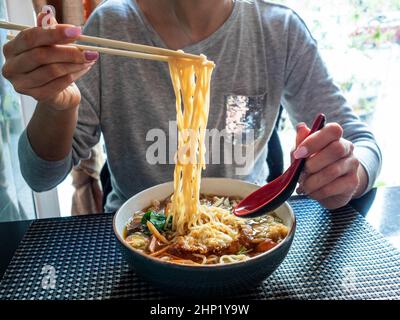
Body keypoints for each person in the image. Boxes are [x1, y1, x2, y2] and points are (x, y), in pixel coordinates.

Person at [2, 0, 381, 213]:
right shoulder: (110, 27)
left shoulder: (277, 30)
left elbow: (363, 142)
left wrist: (349, 169)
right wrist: (57, 105)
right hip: (137, 230)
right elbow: (40, 177)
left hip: (248, 223)